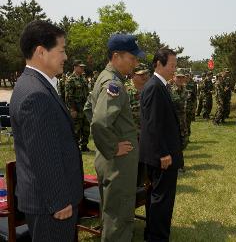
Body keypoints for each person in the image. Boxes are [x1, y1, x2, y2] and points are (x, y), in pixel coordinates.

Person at [10, 20, 83, 242]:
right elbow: (43, 155)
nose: (66, 57)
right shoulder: (36, 94)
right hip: (51, 205)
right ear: (41, 51)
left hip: (48, 201)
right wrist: (59, 201)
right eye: (61, 50)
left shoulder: (34, 84)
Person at [84, 34, 144, 242]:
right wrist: (112, 146)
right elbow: (99, 121)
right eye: (132, 58)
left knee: (111, 210)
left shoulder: (104, 77)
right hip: (118, 161)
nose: (135, 62)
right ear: (116, 56)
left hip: (108, 159)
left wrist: (107, 145)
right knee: (119, 214)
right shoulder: (113, 83)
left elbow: (88, 109)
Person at [140, 48, 183, 242]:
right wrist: (163, 153)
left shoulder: (159, 85)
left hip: (161, 154)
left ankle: (152, 234)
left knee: (157, 198)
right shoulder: (155, 86)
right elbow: (153, 124)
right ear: (158, 63)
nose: (175, 69)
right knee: (161, 200)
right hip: (162, 157)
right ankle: (157, 237)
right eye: (172, 65)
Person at [65, 59, 91, 151]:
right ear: (75, 67)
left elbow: (87, 93)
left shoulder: (83, 79)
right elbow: (68, 96)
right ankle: (74, 147)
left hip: (84, 108)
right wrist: (72, 109)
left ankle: (84, 146)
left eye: (83, 67)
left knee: (86, 128)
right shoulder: (70, 80)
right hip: (76, 108)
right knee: (76, 129)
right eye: (81, 67)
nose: (83, 68)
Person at [168, 68, 189, 171]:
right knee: (175, 143)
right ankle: (178, 165)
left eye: (182, 77)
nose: (180, 79)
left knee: (184, 141)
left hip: (183, 120)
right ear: (174, 77)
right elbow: (178, 102)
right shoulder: (170, 89)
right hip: (173, 121)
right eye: (178, 77)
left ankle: (178, 164)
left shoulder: (184, 90)